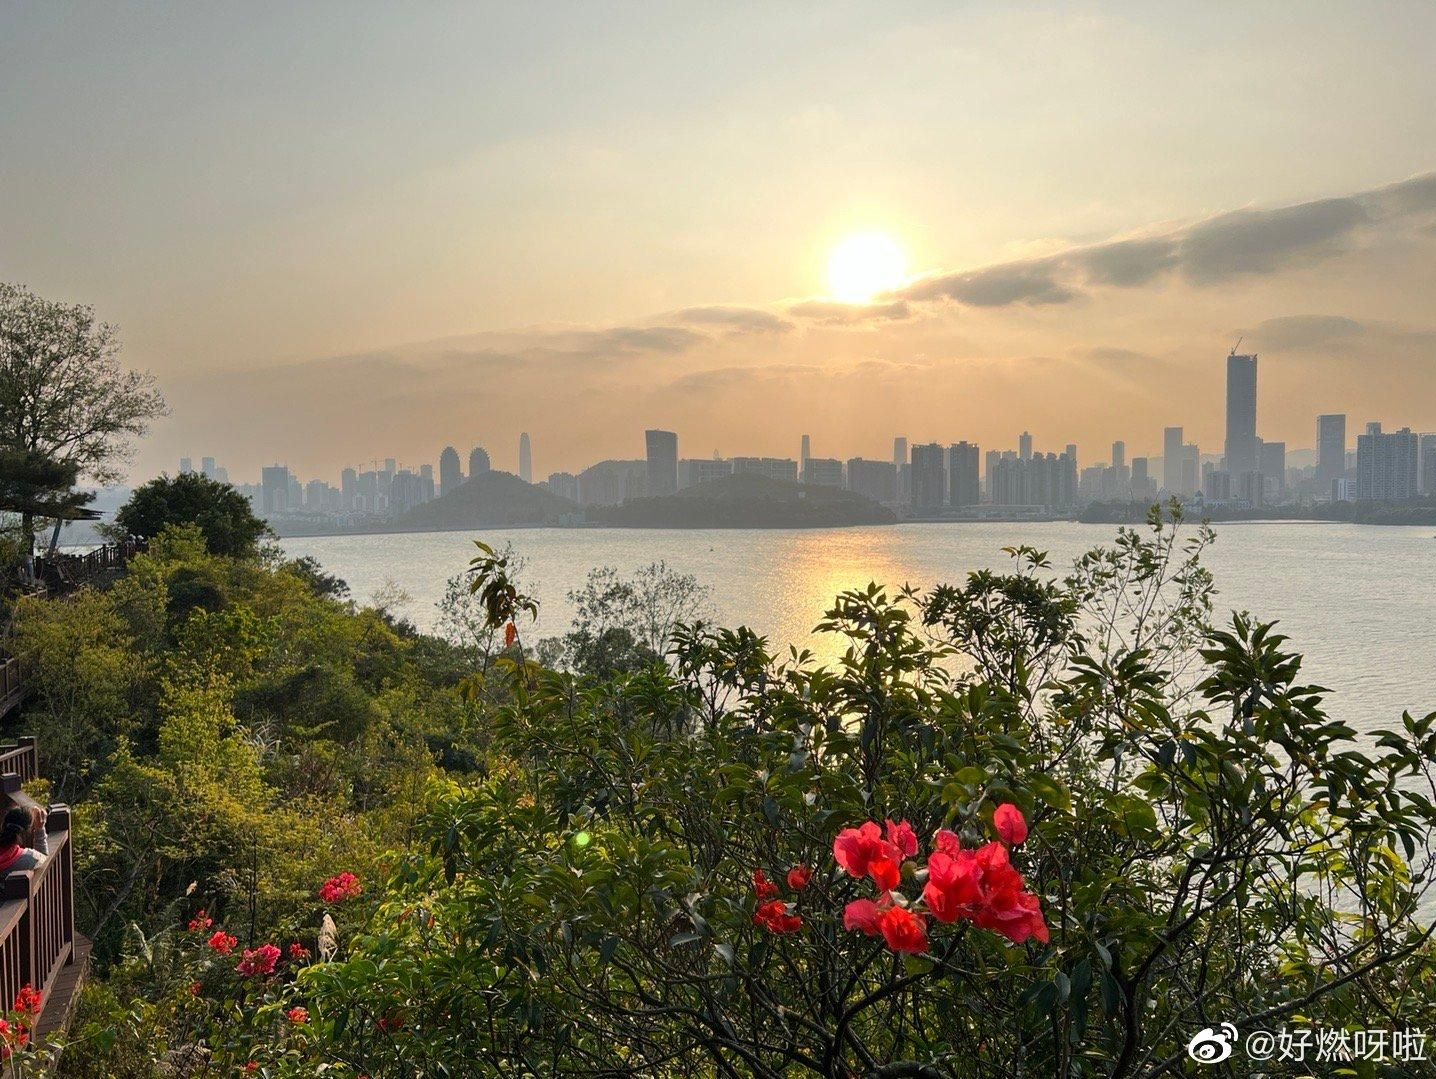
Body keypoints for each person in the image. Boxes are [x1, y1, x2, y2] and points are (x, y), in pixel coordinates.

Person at [0, 805, 48, 873]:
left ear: (3, 826)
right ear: (26, 832)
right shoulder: (27, 859)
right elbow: (43, 857)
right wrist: (40, 829)